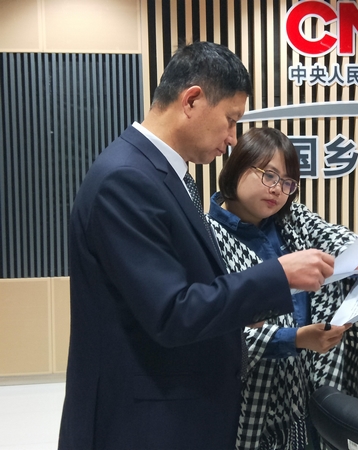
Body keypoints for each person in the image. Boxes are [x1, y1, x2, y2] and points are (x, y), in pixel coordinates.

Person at [58, 42, 336, 450]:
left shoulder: (161, 175)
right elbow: (173, 312)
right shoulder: (126, 179)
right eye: (230, 120)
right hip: (143, 424)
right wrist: (278, 276)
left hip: (175, 413)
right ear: (192, 100)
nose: (232, 139)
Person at [207, 127, 358, 450]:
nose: (277, 190)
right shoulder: (209, 237)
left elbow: (337, 237)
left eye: (288, 183)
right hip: (245, 404)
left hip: (302, 392)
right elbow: (218, 331)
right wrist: (296, 339)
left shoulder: (291, 220)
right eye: (269, 175)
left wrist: (356, 257)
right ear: (237, 166)